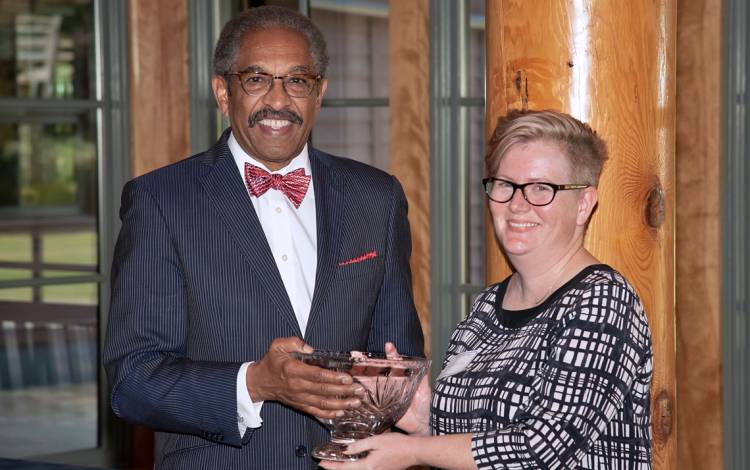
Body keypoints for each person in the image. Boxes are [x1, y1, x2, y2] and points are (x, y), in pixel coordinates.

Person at [103, 6, 424, 469]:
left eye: (298, 81)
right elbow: (130, 383)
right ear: (222, 91)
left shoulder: (377, 197)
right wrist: (254, 383)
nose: (279, 100)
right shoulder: (160, 200)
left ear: (320, 93)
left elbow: (399, 359)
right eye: (256, 79)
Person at [321, 110, 653, 470]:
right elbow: (480, 439)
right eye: (505, 185)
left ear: (584, 204)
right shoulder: (486, 306)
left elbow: (542, 449)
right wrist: (419, 417)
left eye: (541, 188)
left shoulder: (603, 301)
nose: (517, 203)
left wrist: (412, 452)